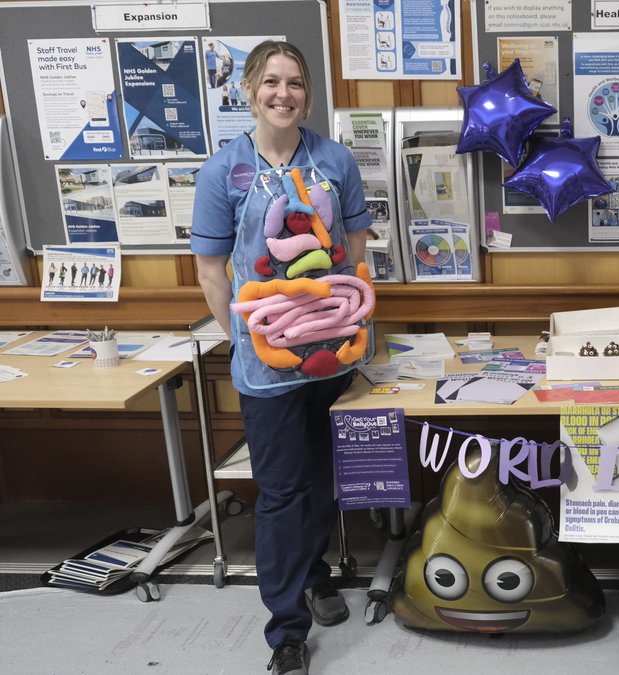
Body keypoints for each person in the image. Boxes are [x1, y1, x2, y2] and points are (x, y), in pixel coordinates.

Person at [190, 40, 371, 675]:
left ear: (308, 93)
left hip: (332, 354)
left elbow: (354, 248)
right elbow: (212, 272)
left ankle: (316, 571)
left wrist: (343, 324)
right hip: (266, 365)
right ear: (248, 89)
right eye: (271, 82)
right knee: (282, 490)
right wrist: (250, 338)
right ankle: (287, 628)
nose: (283, 93)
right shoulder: (223, 172)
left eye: (295, 82)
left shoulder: (335, 160)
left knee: (322, 480)